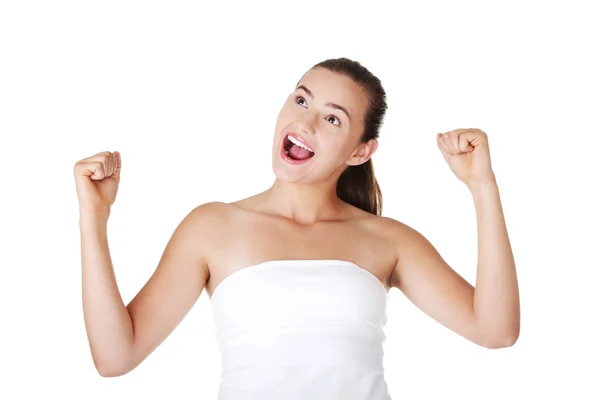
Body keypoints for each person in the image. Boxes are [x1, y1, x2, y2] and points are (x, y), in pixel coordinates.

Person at [74, 57, 520, 399]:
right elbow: (116, 357)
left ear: (361, 152)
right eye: (301, 100)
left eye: (332, 118)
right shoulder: (212, 227)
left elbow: (495, 330)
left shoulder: (388, 240)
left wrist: (482, 186)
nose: (304, 122)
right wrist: (94, 219)